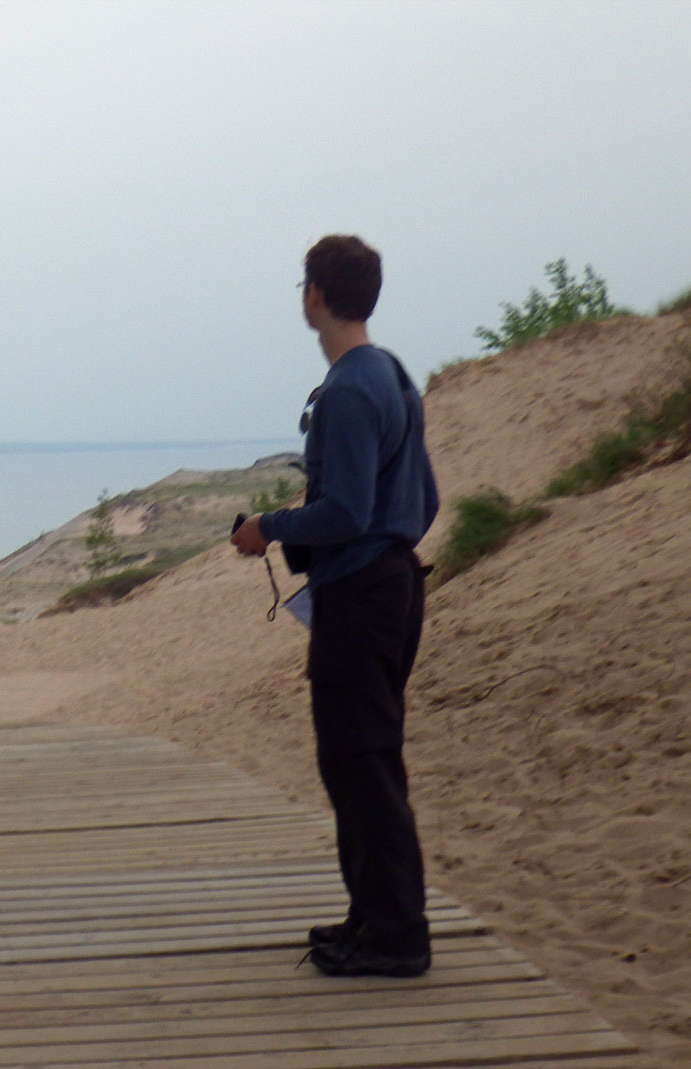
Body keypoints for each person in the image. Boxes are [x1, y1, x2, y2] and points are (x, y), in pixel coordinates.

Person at [230, 234, 441, 977]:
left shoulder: (352, 387)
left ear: (316, 294)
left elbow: (347, 510)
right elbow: (426, 496)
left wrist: (269, 529)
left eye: (303, 284)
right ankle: (374, 916)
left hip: (362, 594)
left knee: (361, 762)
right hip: (393, 583)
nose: (303, 295)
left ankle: (397, 935)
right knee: (362, 760)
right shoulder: (391, 374)